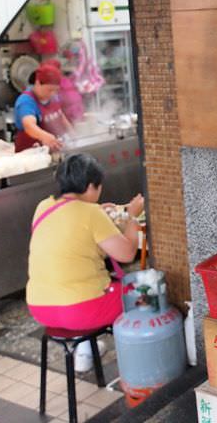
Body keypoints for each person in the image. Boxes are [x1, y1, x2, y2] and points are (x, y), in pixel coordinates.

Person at [26, 153, 144, 370]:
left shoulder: (43, 207)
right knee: (143, 295)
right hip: (81, 311)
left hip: (39, 307)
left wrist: (99, 214)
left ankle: (85, 351)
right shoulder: (91, 213)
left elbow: (71, 241)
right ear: (91, 186)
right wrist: (132, 216)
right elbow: (126, 254)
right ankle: (139, 364)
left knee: (86, 283)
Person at [13, 64, 72, 152]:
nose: (52, 94)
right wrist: (45, 137)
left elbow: (60, 115)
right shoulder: (26, 101)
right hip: (32, 154)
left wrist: (73, 134)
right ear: (37, 83)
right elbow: (29, 125)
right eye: (49, 90)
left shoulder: (53, 97)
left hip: (54, 150)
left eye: (56, 90)